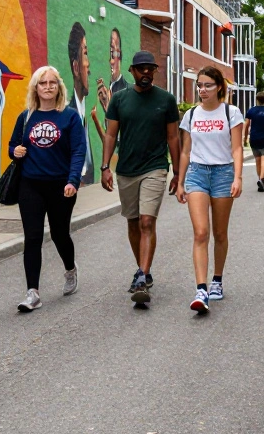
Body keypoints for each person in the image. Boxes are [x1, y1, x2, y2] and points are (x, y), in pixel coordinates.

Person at [101, 50, 181, 305]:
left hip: (155, 168)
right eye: (141, 69)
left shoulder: (166, 100)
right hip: (126, 170)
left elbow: (173, 137)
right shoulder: (119, 100)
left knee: (147, 222)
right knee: (133, 223)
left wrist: (177, 172)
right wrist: (105, 166)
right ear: (133, 72)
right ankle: (142, 271)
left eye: (150, 68)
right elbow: (111, 135)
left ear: (155, 71)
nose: (146, 72)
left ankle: (141, 275)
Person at [8, 66, 87, 313]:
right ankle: (33, 292)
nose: (48, 87)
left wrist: (73, 181)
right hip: (30, 184)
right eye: (43, 83)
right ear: (36, 88)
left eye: (53, 82)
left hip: (60, 185)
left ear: (59, 87)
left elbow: (78, 150)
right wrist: (15, 151)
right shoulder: (26, 117)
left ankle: (70, 269)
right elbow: (13, 145)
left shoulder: (70, 116)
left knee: (59, 233)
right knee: (32, 237)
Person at [176, 67, 245, 313]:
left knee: (220, 232)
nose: (202, 90)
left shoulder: (231, 113)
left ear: (219, 87)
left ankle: (217, 280)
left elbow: (237, 149)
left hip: (223, 174)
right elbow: (185, 151)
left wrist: (237, 177)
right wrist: (181, 181)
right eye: (199, 86)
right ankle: (201, 289)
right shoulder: (191, 114)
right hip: (197, 173)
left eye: (207, 85)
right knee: (201, 232)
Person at [67, 23, 97, 186]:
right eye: (85, 54)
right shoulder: (69, 114)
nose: (89, 64)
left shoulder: (84, 113)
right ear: (76, 67)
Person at [243, 91, 264, 192]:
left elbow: (246, 125)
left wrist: (245, 138)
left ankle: (260, 179)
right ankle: (262, 179)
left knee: (257, 160)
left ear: (257, 100)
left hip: (254, 138)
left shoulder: (251, 111)